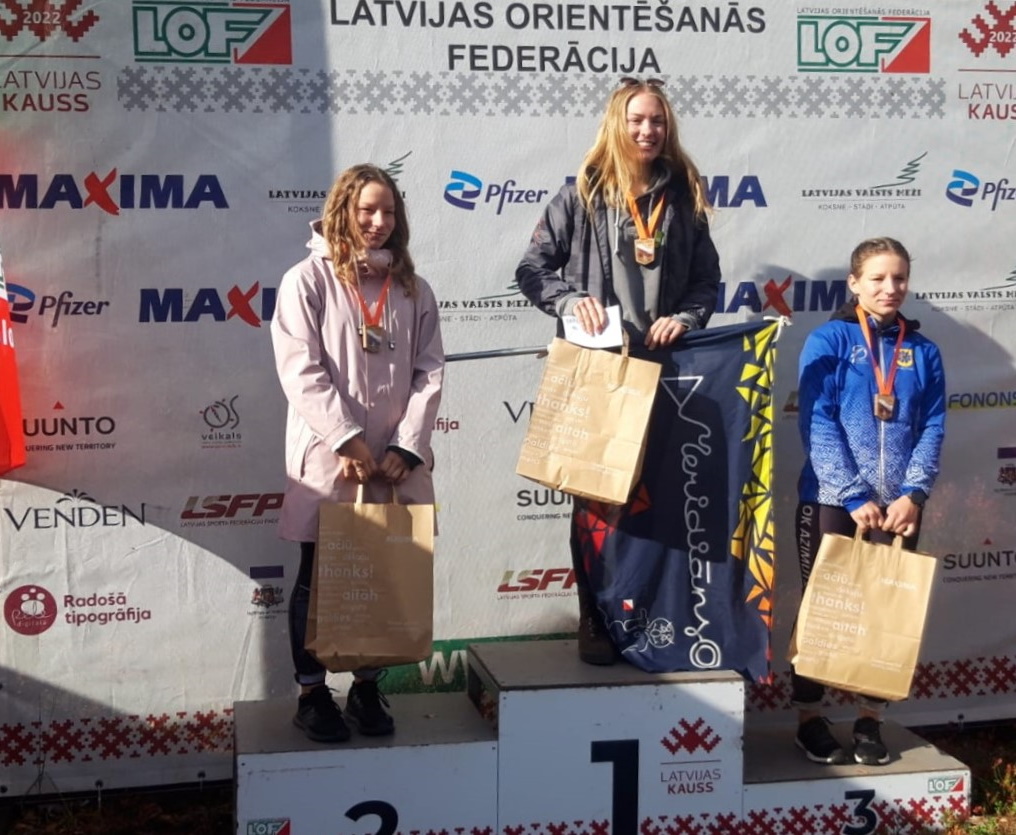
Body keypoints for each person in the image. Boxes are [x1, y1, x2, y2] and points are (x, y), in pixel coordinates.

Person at [516, 77, 722, 665]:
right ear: (616, 124)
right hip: (599, 372)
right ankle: (595, 617)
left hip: (664, 374)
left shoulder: (683, 195)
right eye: (636, 120)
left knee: (659, 501)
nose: (647, 130)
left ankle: (652, 618)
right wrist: (567, 300)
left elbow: (707, 280)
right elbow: (531, 269)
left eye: (657, 120)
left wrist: (686, 316)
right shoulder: (580, 194)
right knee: (596, 502)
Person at [270, 164, 444, 742]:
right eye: (367, 210)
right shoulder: (307, 280)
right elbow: (300, 369)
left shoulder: (413, 289)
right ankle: (311, 694)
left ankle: (367, 688)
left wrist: (407, 447)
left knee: (383, 573)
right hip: (332, 460)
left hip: (393, 465)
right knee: (319, 576)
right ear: (343, 211)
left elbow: (429, 373)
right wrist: (344, 438)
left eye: (388, 212)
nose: (377, 222)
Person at [792, 236, 945, 766]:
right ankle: (809, 720)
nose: (890, 287)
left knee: (885, 611)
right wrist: (852, 493)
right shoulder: (830, 340)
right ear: (854, 283)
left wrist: (914, 494)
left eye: (899, 278)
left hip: (898, 508)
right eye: (877, 278)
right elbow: (817, 421)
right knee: (823, 610)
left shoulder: (923, 350)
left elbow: (933, 425)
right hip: (833, 501)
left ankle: (869, 720)